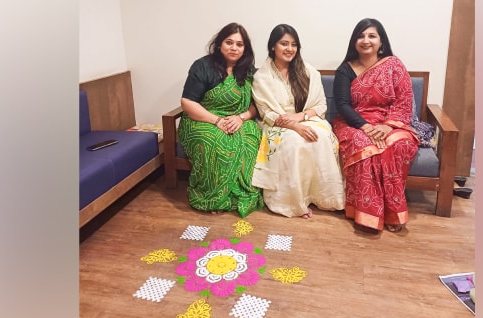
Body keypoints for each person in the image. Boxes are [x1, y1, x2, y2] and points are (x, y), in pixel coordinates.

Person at [332, 18, 419, 232]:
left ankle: (392, 213)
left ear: (381, 41)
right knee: (365, 146)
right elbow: (342, 105)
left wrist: (388, 126)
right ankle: (367, 214)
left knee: (397, 146)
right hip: (354, 123)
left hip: (391, 122)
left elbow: (404, 101)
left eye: (371, 36)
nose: (365, 40)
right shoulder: (345, 70)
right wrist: (364, 126)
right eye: (361, 36)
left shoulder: (393, 65)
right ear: (354, 41)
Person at [251, 24, 345, 219]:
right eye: (284, 43)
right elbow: (266, 113)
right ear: (272, 47)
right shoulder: (261, 77)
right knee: (294, 143)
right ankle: (294, 202)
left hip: (307, 118)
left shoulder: (309, 72)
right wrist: (293, 125)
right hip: (277, 125)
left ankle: (324, 197)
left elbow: (320, 106)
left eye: (294, 44)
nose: (289, 49)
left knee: (321, 138)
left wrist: (300, 118)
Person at [177, 22, 264, 218]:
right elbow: (188, 101)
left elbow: (256, 104)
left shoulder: (249, 71)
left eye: (239, 44)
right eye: (229, 42)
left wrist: (241, 118)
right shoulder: (202, 66)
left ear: (245, 48)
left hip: (238, 118)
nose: (234, 48)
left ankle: (237, 195)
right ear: (219, 44)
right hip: (202, 119)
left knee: (250, 138)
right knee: (214, 142)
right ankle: (211, 197)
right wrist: (217, 121)